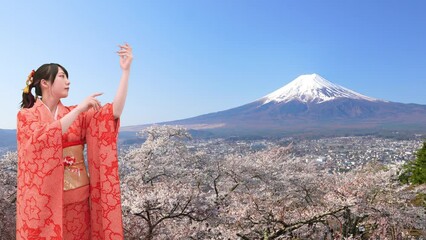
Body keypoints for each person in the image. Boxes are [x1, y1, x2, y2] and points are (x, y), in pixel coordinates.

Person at [16, 43, 133, 239]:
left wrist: (126, 71)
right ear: (45, 83)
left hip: (77, 197)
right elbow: (43, 139)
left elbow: (114, 113)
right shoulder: (27, 116)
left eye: (67, 77)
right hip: (43, 201)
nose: (68, 81)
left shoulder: (74, 114)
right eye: (62, 76)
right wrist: (80, 108)